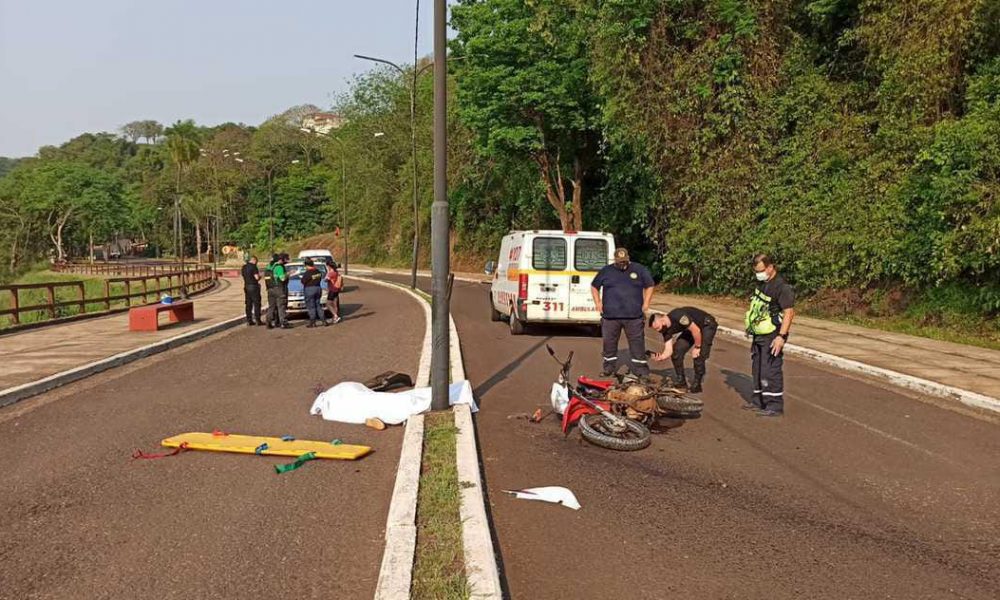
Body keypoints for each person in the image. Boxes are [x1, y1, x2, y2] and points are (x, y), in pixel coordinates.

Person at [591, 248, 655, 377]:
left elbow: (650, 285)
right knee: (609, 343)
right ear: (615, 260)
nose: (622, 264)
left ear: (628, 258)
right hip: (610, 317)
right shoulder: (606, 271)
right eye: (620, 262)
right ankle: (608, 368)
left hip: (634, 317)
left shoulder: (639, 269)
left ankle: (641, 370)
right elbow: (594, 286)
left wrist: (646, 303)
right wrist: (597, 302)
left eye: (624, 261)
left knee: (637, 344)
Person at [745, 253, 795, 417]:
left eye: (761, 270)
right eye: (756, 271)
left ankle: (774, 404)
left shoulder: (781, 287)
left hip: (773, 335)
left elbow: (789, 313)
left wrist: (781, 336)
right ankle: (759, 400)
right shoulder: (761, 284)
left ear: (770, 267)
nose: (759, 274)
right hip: (759, 335)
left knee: (770, 369)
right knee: (758, 368)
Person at [648, 307, 718, 393]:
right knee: (677, 352)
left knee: (699, 355)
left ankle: (697, 383)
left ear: (662, 320)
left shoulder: (678, 316)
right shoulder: (665, 330)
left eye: (658, 328)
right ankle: (681, 381)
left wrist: (697, 347)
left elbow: (696, 330)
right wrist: (661, 357)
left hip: (706, 325)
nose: (658, 330)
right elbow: (668, 350)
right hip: (692, 329)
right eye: (656, 329)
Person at [263, 253, 291, 329]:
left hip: (270, 289)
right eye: (281, 259)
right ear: (278, 260)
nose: (282, 261)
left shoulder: (269, 267)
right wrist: (288, 274)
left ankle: (268, 322)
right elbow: (282, 278)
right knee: (281, 306)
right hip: (278, 289)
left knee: (271, 307)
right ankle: (283, 323)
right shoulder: (279, 267)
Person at [301, 258, 325, 327]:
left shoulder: (307, 273)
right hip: (318, 288)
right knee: (318, 305)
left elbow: (303, 281)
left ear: (307, 265)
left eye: (305, 266)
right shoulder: (318, 271)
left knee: (311, 306)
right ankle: (323, 321)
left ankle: (312, 322)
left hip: (309, 289)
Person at [240, 255, 262, 326]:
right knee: (256, 303)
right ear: (254, 260)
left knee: (248, 304)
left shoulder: (243, 267)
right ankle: (257, 320)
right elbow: (256, 277)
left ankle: (249, 320)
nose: (256, 263)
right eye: (256, 262)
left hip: (246, 286)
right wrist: (260, 277)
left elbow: (243, 276)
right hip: (254, 286)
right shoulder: (253, 267)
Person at [324, 257, 344, 323]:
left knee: (328, 304)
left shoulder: (331, 273)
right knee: (335, 304)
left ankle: (335, 316)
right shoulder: (336, 272)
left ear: (329, 266)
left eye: (327, 266)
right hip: (336, 289)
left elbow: (326, 280)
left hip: (332, 290)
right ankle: (335, 317)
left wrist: (327, 275)